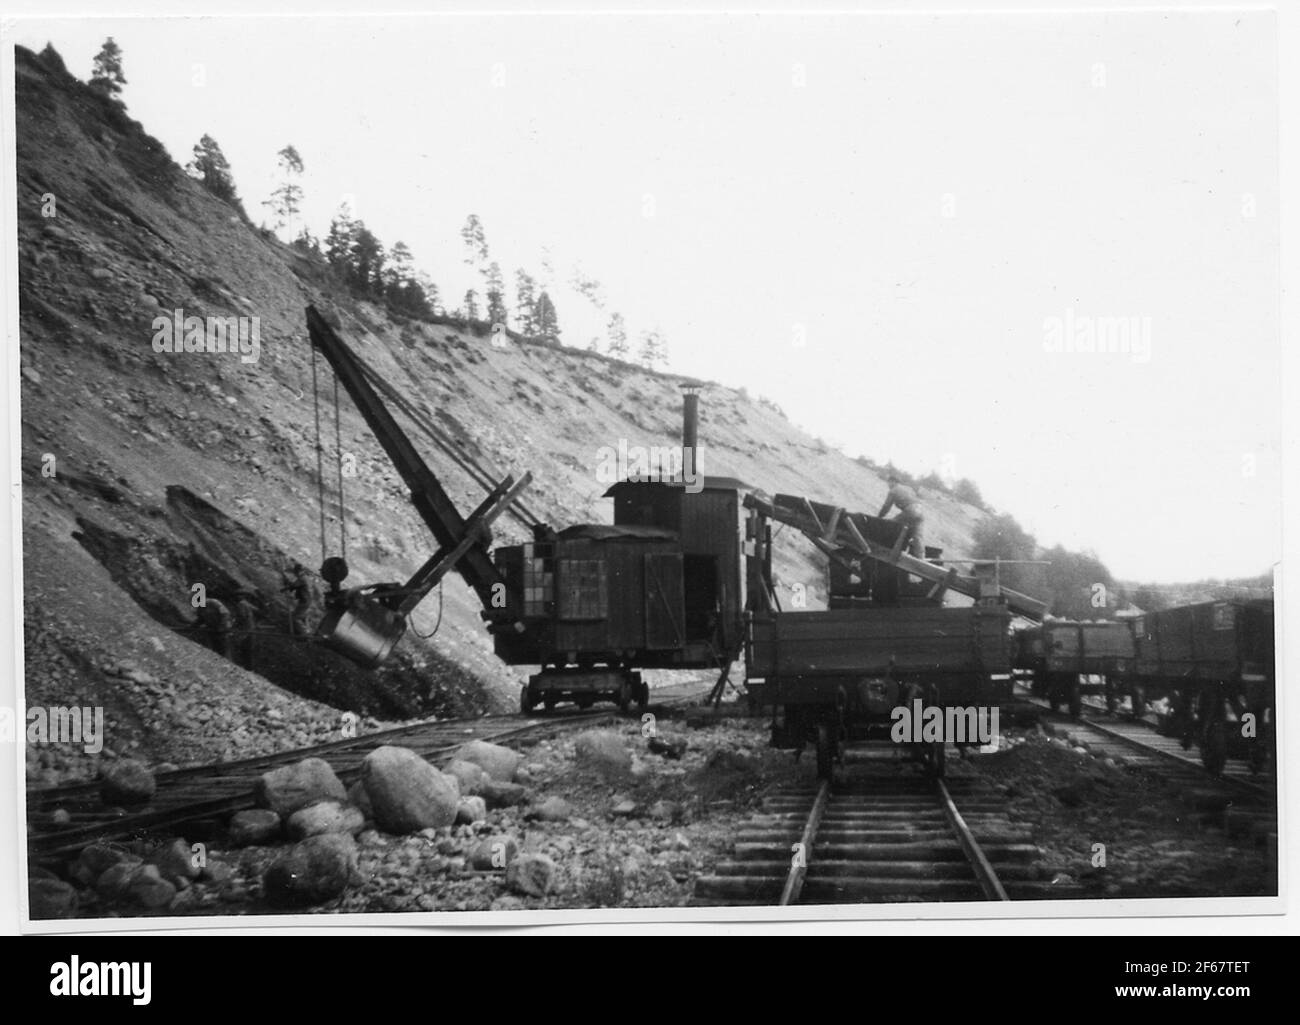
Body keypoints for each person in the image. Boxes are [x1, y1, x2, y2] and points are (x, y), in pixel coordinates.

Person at [878, 474, 925, 558]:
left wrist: (879, 517)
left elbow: (886, 506)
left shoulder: (893, 490)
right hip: (920, 511)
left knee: (891, 525)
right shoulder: (907, 488)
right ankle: (921, 558)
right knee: (917, 536)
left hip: (911, 510)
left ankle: (885, 547)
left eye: (888, 483)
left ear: (892, 482)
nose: (888, 485)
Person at [283, 563, 314, 639]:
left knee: (295, 618)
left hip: (305, 601)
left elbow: (293, 586)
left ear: (299, 571)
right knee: (302, 616)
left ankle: (305, 633)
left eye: (296, 572)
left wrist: (285, 586)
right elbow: (294, 586)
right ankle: (307, 630)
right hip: (307, 600)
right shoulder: (305, 578)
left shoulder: (302, 579)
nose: (295, 574)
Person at [233, 589, 259, 670]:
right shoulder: (247, 604)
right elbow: (258, 611)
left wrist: (235, 624)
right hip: (251, 628)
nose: (237, 597)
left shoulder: (241, 604)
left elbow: (242, 616)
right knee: (249, 649)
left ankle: (245, 666)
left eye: (239, 595)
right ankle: (249, 667)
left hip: (245, 629)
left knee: (242, 647)